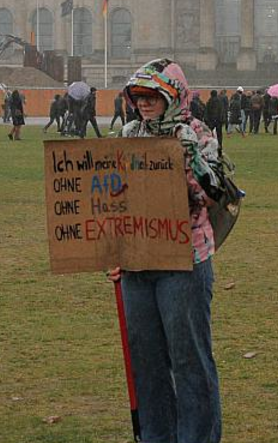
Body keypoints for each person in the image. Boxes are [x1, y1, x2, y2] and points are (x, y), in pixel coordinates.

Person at [107, 58, 223, 443]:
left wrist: (189, 161)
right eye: (137, 95)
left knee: (189, 360)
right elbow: (112, 200)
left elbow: (211, 196)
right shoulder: (127, 133)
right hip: (137, 264)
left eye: (152, 95)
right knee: (148, 363)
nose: (143, 102)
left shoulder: (198, 133)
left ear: (172, 96)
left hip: (184, 261)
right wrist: (110, 251)